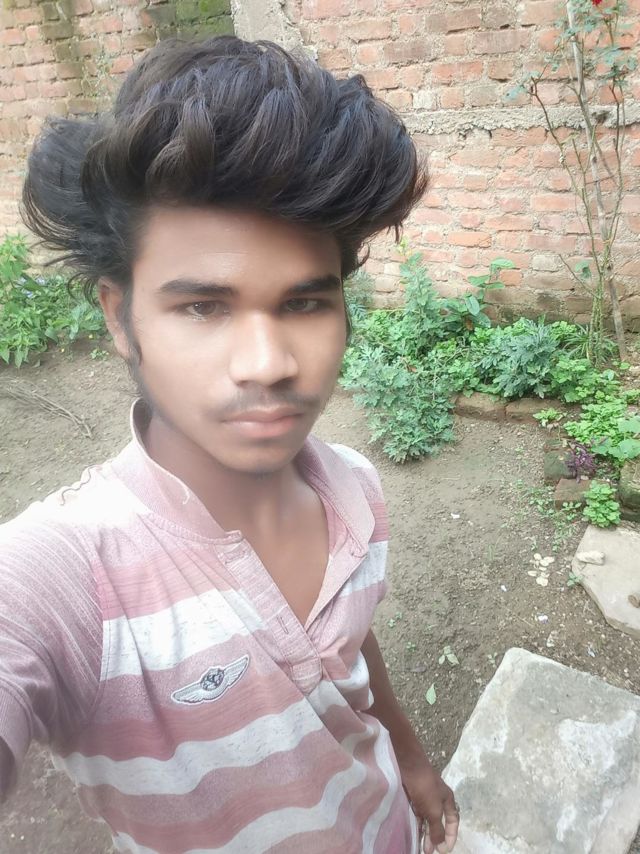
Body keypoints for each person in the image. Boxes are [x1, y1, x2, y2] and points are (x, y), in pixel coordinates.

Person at [0, 36, 458, 854]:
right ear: (120, 318)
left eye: (305, 304)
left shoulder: (354, 490)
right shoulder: (69, 580)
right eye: (203, 307)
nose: (269, 364)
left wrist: (412, 759)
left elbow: (347, 646)